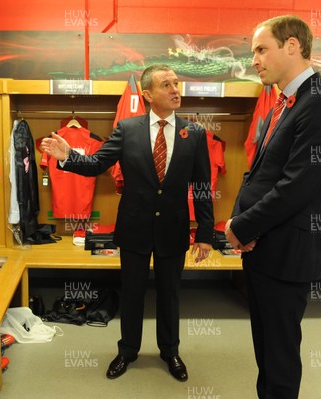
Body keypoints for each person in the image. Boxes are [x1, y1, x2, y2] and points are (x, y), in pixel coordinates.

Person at [40, 64, 214, 382]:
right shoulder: (127, 129)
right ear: (147, 94)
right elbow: (96, 164)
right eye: (167, 85)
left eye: (177, 83)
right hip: (134, 227)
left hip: (174, 228)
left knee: (170, 294)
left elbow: (202, 185)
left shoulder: (196, 133)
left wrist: (204, 233)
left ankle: (170, 351)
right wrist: (67, 157)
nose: (176, 89)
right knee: (132, 292)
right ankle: (127, 351)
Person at [225, 15, 321, 399]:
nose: (255, 60)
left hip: (285, 252)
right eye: (253, 52)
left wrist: (240, 227)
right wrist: (241, 222)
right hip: (264, 248)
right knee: (267, 352)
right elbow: (260, 175)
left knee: (279, 361)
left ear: (292, 46)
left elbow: (296, 187)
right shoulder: (288, 102)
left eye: (262, 49)